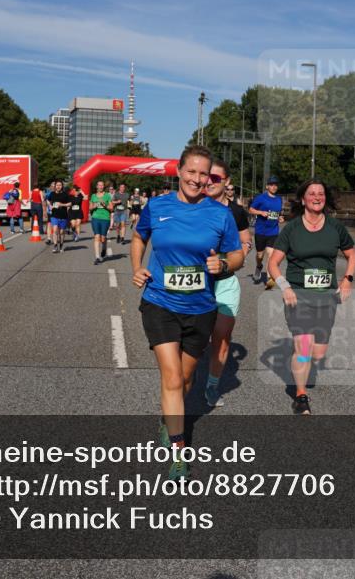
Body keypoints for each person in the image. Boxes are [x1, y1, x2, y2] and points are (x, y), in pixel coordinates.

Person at [131, 146, 243, 479]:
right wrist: (137, 267)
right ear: (179, 171)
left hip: (201, 307)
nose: (196, 179)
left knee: (186, 378)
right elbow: (138, 237)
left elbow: (237, 254)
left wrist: (224, 264)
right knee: (171, 376)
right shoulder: (157, 206)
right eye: (191, 171)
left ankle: (169, 419)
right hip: (160, 302)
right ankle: (179, 451)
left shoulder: (219, 214)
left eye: (203, 174)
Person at [267, 180, 355, 415]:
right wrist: (285, 287)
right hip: (298, 296)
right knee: (304, 349)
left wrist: (347, 279)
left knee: (318, 353)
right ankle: (300, 395)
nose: (317, 197)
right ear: (303, 199)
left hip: (326, 298)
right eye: (312, 193)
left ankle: (301, 361)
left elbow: (352, 254)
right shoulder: (292, 229)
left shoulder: (335, 227)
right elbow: (273, 263)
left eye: (321, 194)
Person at [203, 160, 252, 408]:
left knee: (221, 337)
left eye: (215, 178)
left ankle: (212, 385)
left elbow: (245, 241)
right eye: (206, 177)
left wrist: (235, 258)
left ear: (227, 181)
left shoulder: (236, 211)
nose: (209, 182)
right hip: (198, 283)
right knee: (193, 337)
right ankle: (183, 377)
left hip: (225, 282)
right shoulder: (195, 207)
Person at [249, 175, 285, 288]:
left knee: (271, 254)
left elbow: (278, 214)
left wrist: (280, 218)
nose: (274, 187)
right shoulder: (261, 198)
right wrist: (260, 212)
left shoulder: (279, 199)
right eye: (271, 185)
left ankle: (269, 279)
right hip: (260, 231)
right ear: (267, 186)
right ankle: (259, 266)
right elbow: (250, 209)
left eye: (276, 185)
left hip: (273, 231)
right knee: (260, 255)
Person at [89, 180, 113, 265]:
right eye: (99, 185)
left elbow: (111, 208)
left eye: (102, 185)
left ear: (103, 187)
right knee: (97, 236)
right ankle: (97, 257)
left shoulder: (107, 196)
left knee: (103, 238)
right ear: (97, 186)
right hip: (95, 218)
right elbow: (90, 208)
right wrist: (94, 206)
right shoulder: (93, 196)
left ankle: (104, 248)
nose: (101, 187)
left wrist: (105, 205)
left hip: (105, 218)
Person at [46, 180, 72, 253]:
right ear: (55, 186)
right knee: (55, 230)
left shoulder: (65, 194)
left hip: (63, 215)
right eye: (57, 185)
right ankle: (55, 245)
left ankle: (61, 245)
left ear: (62, 186)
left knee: (61, 232)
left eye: (60, 185)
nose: (58, 186)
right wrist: (50, 206)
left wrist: (62, 205)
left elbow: (70, 203)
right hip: (54, 215)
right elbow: (48, 200)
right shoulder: (52, 194)